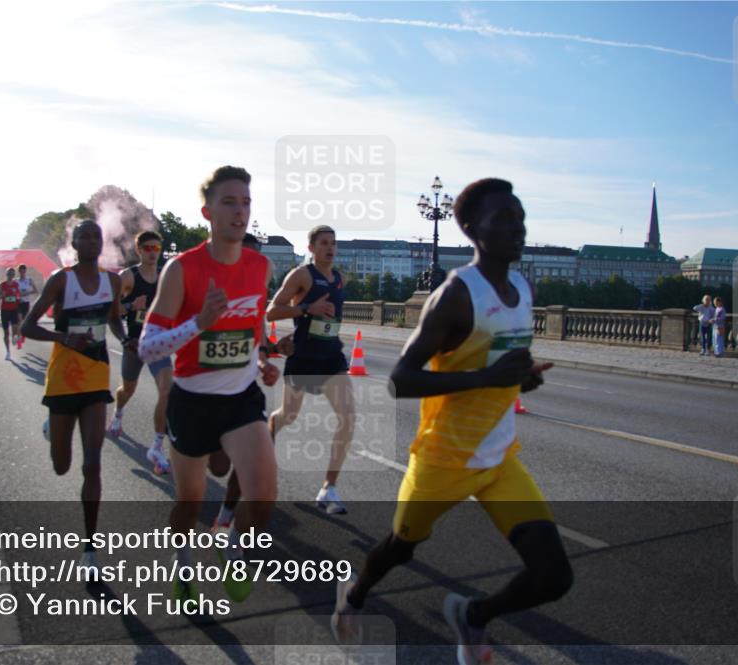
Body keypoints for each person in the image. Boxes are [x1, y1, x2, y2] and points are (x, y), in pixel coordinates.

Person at [331, 178, 572, 664]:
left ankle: (474, 615)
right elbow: (400, 380)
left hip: (500, 458)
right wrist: (487, 378)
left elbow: (508, 367)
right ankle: (355, 593)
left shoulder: (524, 289)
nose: (517, 227)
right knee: (401, 548)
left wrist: (521, 379)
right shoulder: (456, 295)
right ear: (470, 229)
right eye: (502, 219)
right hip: (443, 456)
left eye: (519, 216)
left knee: (554, 576)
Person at [139, 165, 279, 605]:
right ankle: (182, 566)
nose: (240, 212)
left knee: (263, 494)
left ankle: (233, 549)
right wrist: (199, 324)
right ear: (208, 212)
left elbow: (253, 324)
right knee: (189, 500)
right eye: (229, 202)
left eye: (246, 202)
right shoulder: (183, 270)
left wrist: (263, 358)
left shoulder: (260, 266)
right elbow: (147, 347)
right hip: (193, 402)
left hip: (241, 400)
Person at [20, 220, 128, 570]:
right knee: (61, 464)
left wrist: (124, 338)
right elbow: (28, 325)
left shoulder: (111, 281)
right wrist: (63, 338)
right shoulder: (60, 280)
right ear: (75, 243)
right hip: (64, 379)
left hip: (97, 379)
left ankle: (90, 550)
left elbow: (113, 319)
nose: (92, 241)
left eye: (96, 235)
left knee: (92, 463)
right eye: (84, 236)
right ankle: (53, 428)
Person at [264, 224, 353, 514]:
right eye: (324, 243)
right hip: (303, 357)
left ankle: (329, 487)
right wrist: (306, 310)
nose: (330, 247)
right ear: (311, 247)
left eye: (334, 242)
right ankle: (266, 440)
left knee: (348, 417)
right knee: (288, 416)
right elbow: (271, 311)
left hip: (331, 357)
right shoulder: (302, 275)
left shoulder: (341, 279)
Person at [208, 232, 293, 525]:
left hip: (243, 391)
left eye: (257, 257)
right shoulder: (208, 286)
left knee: (251, 460)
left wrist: (270, 355)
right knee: (218, 466)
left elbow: (258, 341)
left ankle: (226, 517)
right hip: (206, 390)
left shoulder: (255, 293)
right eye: (246, 255)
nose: (252, 262)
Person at [108, 230, 173, 475]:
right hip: (135, 344)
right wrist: (129, 307)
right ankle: (118, 414)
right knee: (128, 389)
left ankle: (157, 446)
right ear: (138, 250)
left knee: (167, 390)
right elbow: (112, 314)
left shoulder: (167, 276)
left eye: (156, 248)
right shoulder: (128, 277)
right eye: (147, 248)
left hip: (158, 343)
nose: (152, 253)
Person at [0, 268, 21, 360]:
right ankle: (8, 352)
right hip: (5, 311)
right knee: (6, 333)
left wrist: (17, 297)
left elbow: (18, 296)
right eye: (9, 274)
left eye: (12, 274)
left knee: (15, 330)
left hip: (14, 310)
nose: (11, 276)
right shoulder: (2, 285)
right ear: (6, 275)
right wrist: (2, 295)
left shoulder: (16, 285)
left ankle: (15, 337)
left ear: (14, 275)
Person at [15, 264, 38, 349]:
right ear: (19, 272)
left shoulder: (29, 280)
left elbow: (35, 291)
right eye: (20, 271)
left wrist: (26, 293)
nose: (22, 273)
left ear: (25, 271)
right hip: (19, 303)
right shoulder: (16, 281)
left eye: (23, 271)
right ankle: (19, 342)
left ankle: (23, 336)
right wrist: (18, 295)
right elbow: (14, 292)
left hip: (26, 303)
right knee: (18, 322)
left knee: (24, 322)